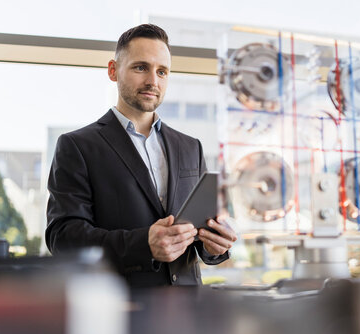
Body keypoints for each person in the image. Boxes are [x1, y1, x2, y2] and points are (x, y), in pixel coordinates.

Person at [45, 24, 236, 287]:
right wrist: (142, 244)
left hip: (188, 310)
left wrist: (215, 247)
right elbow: (62, 238)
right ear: (113, 71)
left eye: (162, 71)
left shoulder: (191, 147)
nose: (153, 81)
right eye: (140, 67)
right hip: (120, 310)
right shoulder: (77, 146)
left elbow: (201, 234)